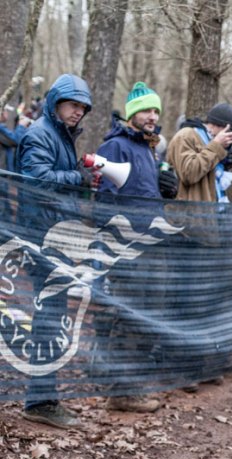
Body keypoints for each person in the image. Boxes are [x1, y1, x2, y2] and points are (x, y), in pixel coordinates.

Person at [16, 73, 95, 429]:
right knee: (49, 317)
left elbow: (59, 182)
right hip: (40, 237)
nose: (78, 112)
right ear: (55, 102)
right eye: (72, 104)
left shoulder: (61, 136)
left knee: (53, 313)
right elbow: (37, 181)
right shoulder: (39, 134)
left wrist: (82, 181)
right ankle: (40, 400)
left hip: (57, 237)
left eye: (82, 107)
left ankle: (45, 397)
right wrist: (75, 179)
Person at [93, 81, 177, 413]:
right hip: (128, 248)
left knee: (148, 316)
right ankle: (122, 391)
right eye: (146, 110)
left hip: (152, 245)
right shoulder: (115, 147)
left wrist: (164, 189)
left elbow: (142, 191)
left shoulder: (148, 148)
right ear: (132, 114)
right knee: (128, 316)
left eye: (156, 110)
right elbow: (104, 201)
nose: (152, 116)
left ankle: (134, 385)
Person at [166, 102, 232, 203]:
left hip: (210, 213)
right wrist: (216, 146)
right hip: (188, 214)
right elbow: (188, 173)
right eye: (230, 131)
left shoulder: (214, 144)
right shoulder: (186, 136)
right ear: (216, 125)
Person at [0, 105, 31, 170]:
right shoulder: (1, 128)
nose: (7, 113)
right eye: (6, 111)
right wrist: (21, 126)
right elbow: (17, 140)